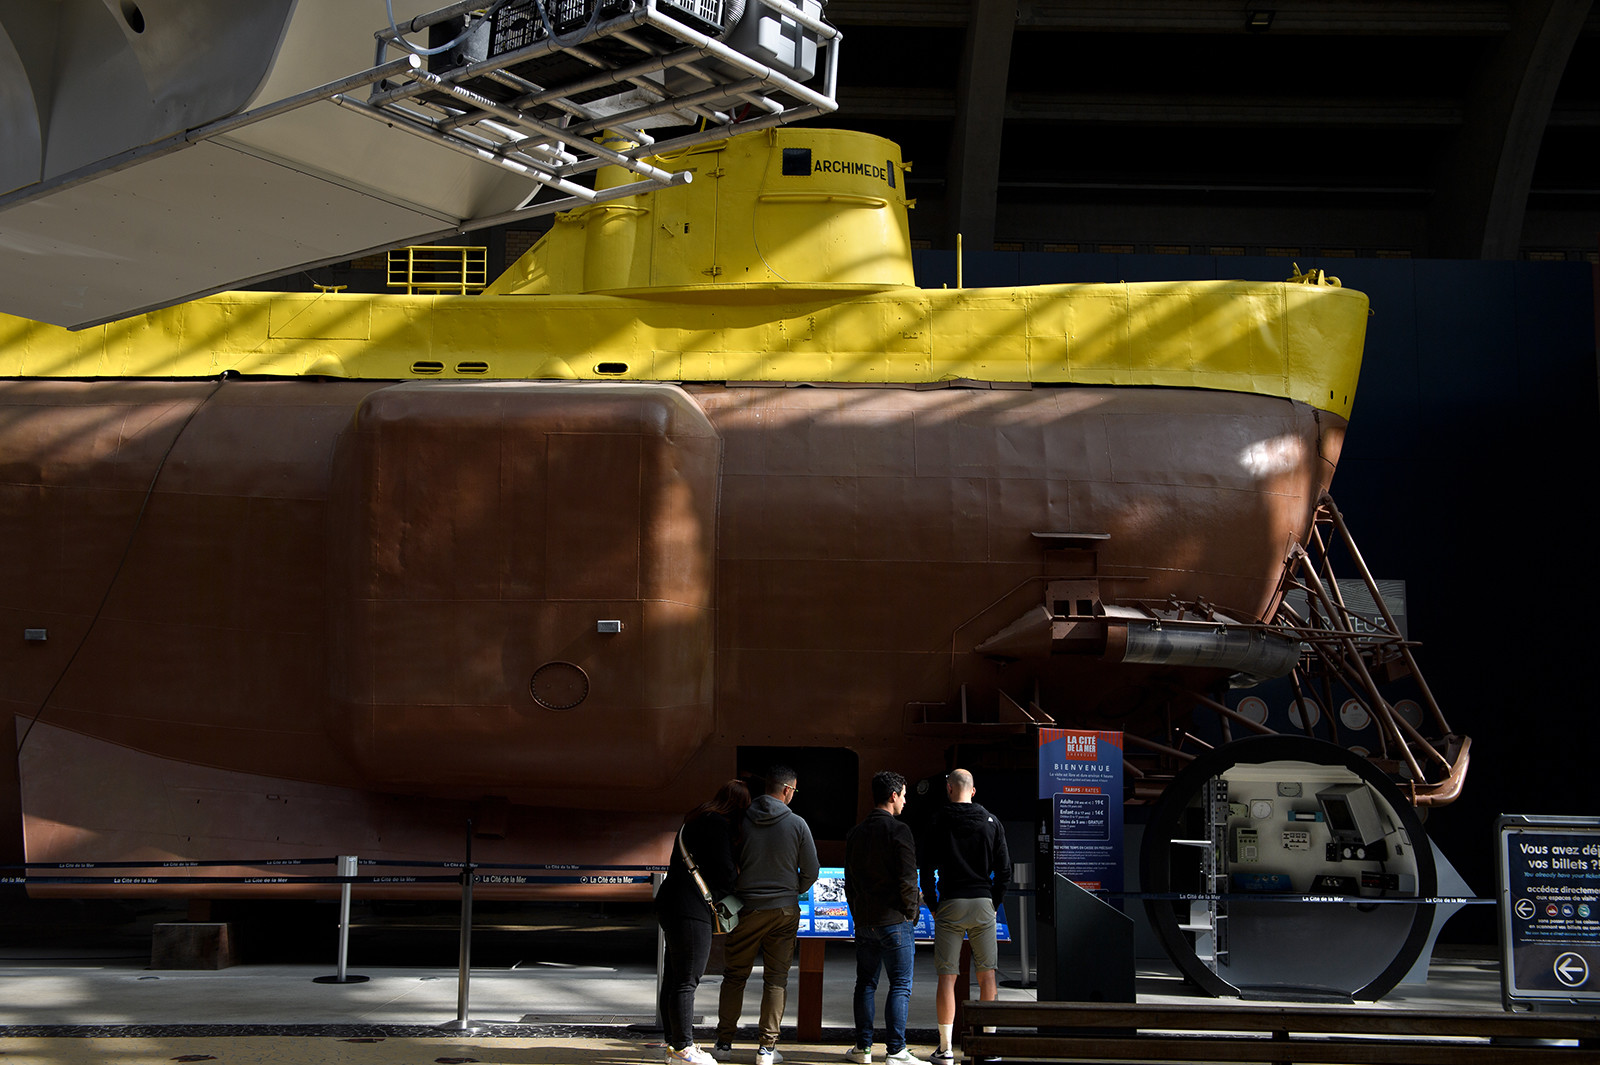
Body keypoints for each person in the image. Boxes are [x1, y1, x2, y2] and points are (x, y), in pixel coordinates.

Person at [714, 765, 819, 1065]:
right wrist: (791, 889)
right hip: (784, 911)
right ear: (787, 790)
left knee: (734, 976)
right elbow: (811, 870)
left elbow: (727, 860)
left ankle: (723, 1044)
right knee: (776, 979)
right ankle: (766, 1049)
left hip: (747, 907)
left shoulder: (741, 819)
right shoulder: (798, 824)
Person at [656, 779, 752, 1065]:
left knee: (674, 977)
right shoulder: (718, 825)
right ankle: (685, 1047)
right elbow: (724, 871)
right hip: (690, 908)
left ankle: (674, 1045)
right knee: (687, 979)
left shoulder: (694, 820)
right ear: (739, 807)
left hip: (671, 902)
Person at [919, 769, 1009, 1065]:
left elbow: (926, 866)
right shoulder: (992, 821)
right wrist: (993, 902)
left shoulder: (937, 820)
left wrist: (933, 903)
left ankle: (945, 1048)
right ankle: (987, 1045)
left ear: (949, 789)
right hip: (983, 903)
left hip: (950, 904)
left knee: (948, 976)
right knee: (988, 975)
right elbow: (1004, 871)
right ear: (973, 790)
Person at [843, 771, 922, 1065]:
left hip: (864, 922)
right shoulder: (900, 831)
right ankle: (896, 1051)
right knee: (900, 984)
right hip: (894, 920)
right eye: (903, 795)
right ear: (893, 796)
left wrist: (857, 914)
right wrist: (910, 913)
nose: (905, 800)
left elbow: (849, 881)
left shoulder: (855, 833)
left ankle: (863, 1049)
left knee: (865, 983)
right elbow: (907, 878)